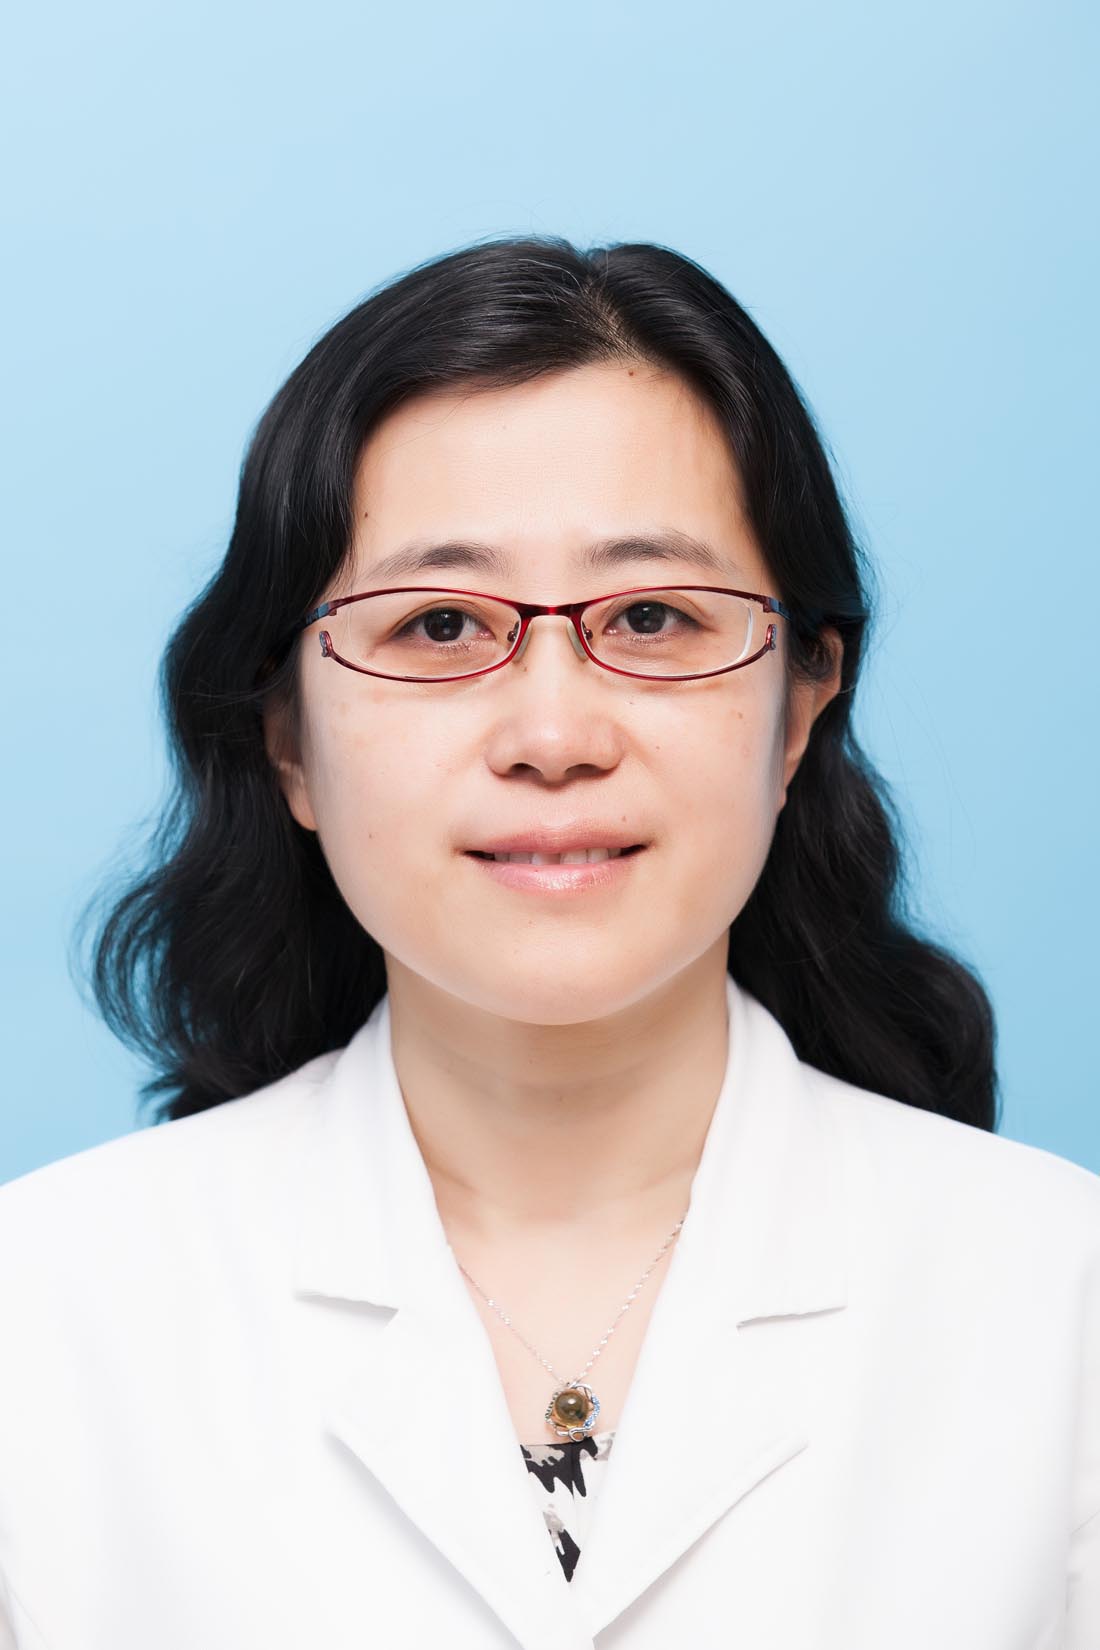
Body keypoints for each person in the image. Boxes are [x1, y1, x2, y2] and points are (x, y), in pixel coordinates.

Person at [0, 235, 1097, 1649]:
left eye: (651, 615)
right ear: (287, 739)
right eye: (439, 624)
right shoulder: (43, 1314)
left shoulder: (1061, 1301)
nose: (555, 733)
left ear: (802, 705)